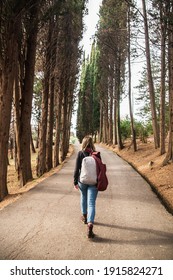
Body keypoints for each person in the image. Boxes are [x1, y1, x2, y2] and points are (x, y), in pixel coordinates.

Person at [73, 136, 99, 238]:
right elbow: (100, 170)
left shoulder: (80, 154)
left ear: (83, 143)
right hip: (94, 182)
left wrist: (75, 182)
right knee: (91, 203)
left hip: (82, 181)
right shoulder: (96, 154)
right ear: (92, 143)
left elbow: (76, 170)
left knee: (83, 197)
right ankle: (90, 225)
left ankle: (84, 217)